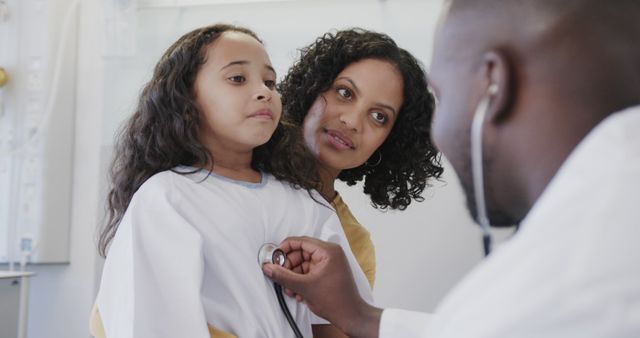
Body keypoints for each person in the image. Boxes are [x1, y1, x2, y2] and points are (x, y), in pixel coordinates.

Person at [262, 0, 640, 337]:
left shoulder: (584, 269)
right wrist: (361, 317)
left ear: (494, 83)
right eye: (345, 92)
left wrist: (356, 319)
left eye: (442, 93)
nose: (438, 137)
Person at [89, 24, 372, 338]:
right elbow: (151, 323)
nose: (264, 91)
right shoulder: (168, 198)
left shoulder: (308, 205)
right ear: (186, 99)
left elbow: (344, 322)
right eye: (237, 79)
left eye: (270, 81)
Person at [277, 28, 443, 288]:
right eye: (345, 93)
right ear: (311, 88)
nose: (352, 121)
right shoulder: (235, 165)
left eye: (379, 117)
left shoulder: (353, 244)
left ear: (390, 141)